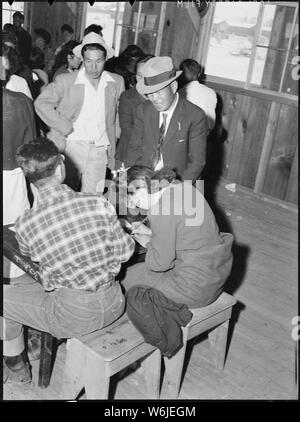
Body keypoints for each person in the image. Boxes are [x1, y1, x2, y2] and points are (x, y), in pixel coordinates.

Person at [2, 137, 135, 384]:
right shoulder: (98, 203)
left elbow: (32, 255)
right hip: (116, 301)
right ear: (61, 166)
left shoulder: (26, 223)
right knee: (20, 289)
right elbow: (126, 252)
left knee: (6, 295)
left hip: (71, 316)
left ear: (26, 176)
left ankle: (15, 362)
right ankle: (19, 353)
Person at [120, 165, 233, 309]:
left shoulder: (160, 211)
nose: (134, 205)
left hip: (192, 289)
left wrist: (149, 243)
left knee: (124, 279)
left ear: (140, 191)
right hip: (216, 273)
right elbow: (186, 232)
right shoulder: (185, 188)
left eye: (131, 199)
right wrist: (151, 232)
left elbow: (159, 265)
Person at [34, 32, 124, 194]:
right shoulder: (66, 80)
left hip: (99, 149)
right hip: (71, 147)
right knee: (65, 195)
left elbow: (118, 112)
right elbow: (41, 103)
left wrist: (114, 137)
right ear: (82, 59)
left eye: (99, 61)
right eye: (89, 61)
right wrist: (64, 126)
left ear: (106, 59)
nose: (93, 67)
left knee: (92, 199)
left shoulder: (116, 81)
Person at [125, 56, 208, 184]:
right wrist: (131, 177)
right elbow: (134, 147)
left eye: (158, 92)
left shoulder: (195, 116)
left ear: (173, 87)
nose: (153, 99)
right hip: (145, 176)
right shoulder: (144, 109)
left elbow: (197, 162)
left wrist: (178, 189)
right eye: (149, 94)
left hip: (176, 181)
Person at [2, 61, 36, 280]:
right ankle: (11, 280)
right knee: (15, 229)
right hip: (13, 176)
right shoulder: (21, 101)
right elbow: (31, 150)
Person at [116, 55, 154, 166]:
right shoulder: (127, 97)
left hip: (153, 157)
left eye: (147, 76)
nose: (141, 80)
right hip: (128, 154)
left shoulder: (160, 97)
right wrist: (151, 143)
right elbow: (126, 128)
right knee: (123, 183)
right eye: (139, 75)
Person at [179, 59, 217, 131]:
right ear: (199, 74)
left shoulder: (180, 93)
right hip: (206, 133)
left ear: (181, 75)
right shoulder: (211, 92)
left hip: (187, 133)